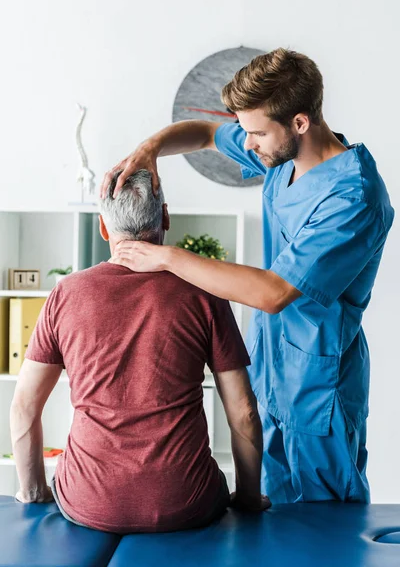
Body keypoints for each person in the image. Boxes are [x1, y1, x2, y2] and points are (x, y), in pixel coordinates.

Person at [102, 47, 394, 504]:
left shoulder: (353, 197)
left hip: (318, 387)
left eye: (256, 133)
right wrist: (151, 147)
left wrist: (166, 258)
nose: (249, 143)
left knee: (322, 528)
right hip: (273, 367)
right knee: (274, 517)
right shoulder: (282, 154)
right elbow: (203, 133)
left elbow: (275, 292)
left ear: (300, 122)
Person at [10, 170, 269, 534]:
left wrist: (33, 491)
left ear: (103, 228)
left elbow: (24, 407)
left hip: (86, 500)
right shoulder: (204, 293)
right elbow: (243, 411)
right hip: (187, 501)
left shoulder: (65, 294)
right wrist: (248, 497)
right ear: (164, 217)